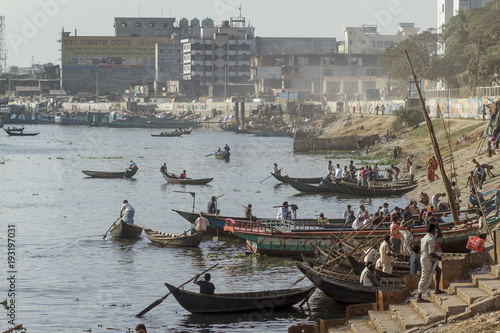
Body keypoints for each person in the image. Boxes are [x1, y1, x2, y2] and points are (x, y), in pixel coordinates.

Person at [416, 223, 442, 302]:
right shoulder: (431, 239)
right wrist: (438, 257)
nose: (435, 231)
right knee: (424, 276)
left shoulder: (424, 238)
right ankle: (419, 297)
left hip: (426, 258)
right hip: (427, 259)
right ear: (433, 230)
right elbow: (431, 253)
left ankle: (437, 289)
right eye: (435, 229)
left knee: (439, 270)